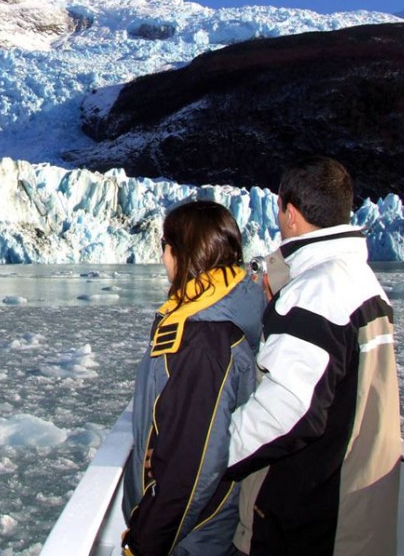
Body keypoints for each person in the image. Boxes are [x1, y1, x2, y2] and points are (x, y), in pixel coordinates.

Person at [226, 157, 401, 555]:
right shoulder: (359, 280)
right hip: (352, 510)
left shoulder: (317, 292)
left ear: (290, 212)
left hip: (309, 524)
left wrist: (207, 455)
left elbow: (287, 411)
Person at [121, 200, 266, 556]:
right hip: (198, 528)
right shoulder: (209, 322)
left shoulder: (204, 340)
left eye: (165, 246)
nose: (162, 257)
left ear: (182, 253)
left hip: (192, 537)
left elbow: (193, 465)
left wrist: (145, 543)